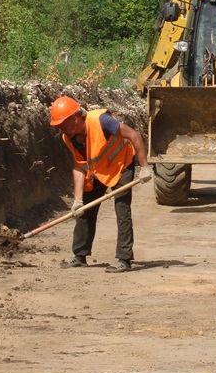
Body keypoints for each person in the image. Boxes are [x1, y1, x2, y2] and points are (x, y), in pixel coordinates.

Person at [49, 96, 152, 273]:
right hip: (98, 170)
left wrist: (144, 167)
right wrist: (78, 200)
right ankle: (80, 256)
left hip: (121, 165)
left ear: (75, 118)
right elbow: (79, 166)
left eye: (63, 124)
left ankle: (124, 258)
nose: (61, 129)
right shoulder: (68, 137)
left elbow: (134, 135)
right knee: (85, 209)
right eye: (58, 125)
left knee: (122, 209)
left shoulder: (101, 121)